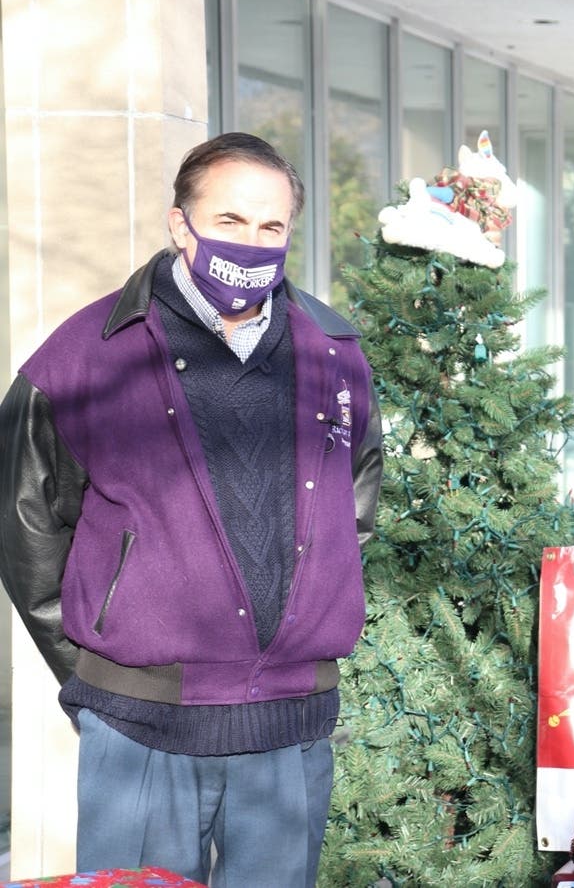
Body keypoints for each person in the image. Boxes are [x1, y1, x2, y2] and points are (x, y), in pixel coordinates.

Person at [0, 132, 383, 886]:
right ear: (181, 225)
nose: (252, 242)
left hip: (287, 726)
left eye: (271, 227)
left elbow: (356, 506)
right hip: (138, 728)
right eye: (230, 221)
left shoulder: (335, 352)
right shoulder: (86, 356)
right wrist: (99, 661)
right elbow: (24, 521)